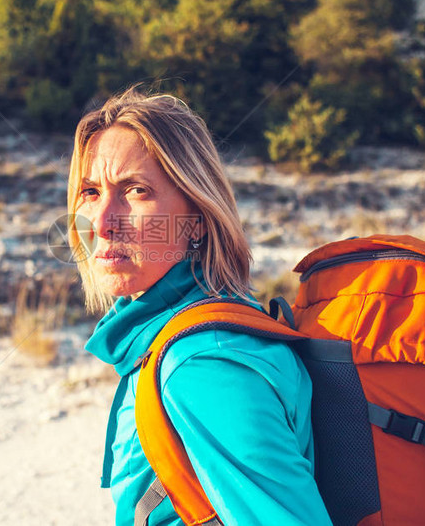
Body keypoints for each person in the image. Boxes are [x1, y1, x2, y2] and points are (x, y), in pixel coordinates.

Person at [67, 88, 331, 526]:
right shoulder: (183, 330)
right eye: (91, 192)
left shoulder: (206, 361)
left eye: (135, 190)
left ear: (197, 218)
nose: (102, 221)